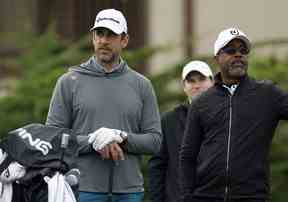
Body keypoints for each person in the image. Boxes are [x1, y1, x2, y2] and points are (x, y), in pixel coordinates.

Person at [45, 8, 162, 202]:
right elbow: (54, 139)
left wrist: (122, 137)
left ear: (124, 40)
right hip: (82, 190)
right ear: (92, 38)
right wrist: (92, 140)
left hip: (129, 192)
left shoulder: (142, 85)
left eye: (111, 35)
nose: (104, 41)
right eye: (99, 34)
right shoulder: (69, 82)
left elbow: (155, 141)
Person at [179, 27, 288, 202]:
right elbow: (187, 155)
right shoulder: (201, 102)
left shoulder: (267, 94)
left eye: (243, 51)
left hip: (252, 196)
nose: (238, 55)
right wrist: (187, 197)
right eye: (230, 50)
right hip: (206, 196)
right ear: (217, 58)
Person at [148, 61, 214, 202]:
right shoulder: (169, 121)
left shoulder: (225, 117)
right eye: (191, 81)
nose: (197, 86)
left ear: (212, 82)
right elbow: (157, 166)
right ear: (184, 87)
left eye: (202, 79)